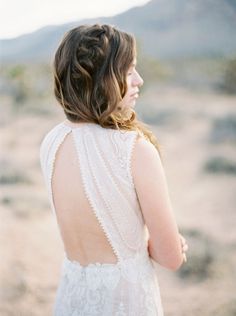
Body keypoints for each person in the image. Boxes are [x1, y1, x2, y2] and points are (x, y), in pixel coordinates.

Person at [39, 23, 188, 316]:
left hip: (71, 299)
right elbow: (170, 258)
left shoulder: (51, 141)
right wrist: (164, 244)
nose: (139, 80)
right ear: (104, 78)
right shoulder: (134, 149)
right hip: (125, 303)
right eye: (129, 70)